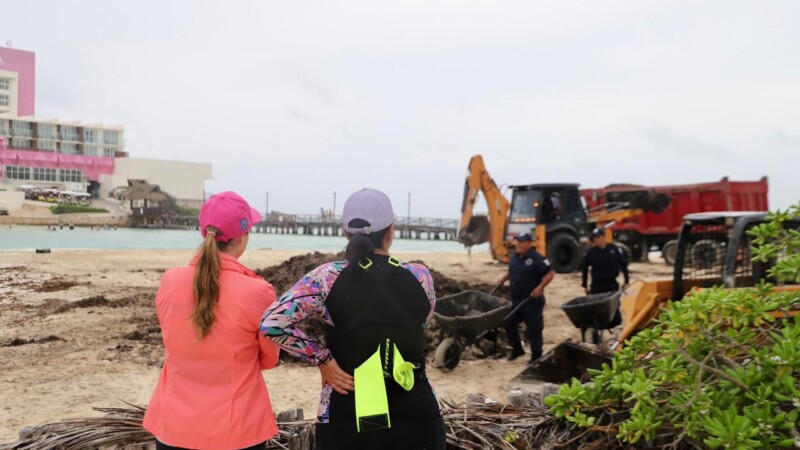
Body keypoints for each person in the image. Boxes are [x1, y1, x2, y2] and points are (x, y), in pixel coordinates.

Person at [261, 188, 445, 450]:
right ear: (391, 232)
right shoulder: (420, 276)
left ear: (346, 233)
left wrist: (322, 358)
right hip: (418, 412)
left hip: (347, 410)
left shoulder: (327, 278)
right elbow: (421, 321)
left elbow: (272, 322)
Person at [143, 191, 280, 450]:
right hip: (236, 428)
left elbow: (172, 340)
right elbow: (269, 359)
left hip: (174, 426)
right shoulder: (258, 292)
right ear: (242, 237)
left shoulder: (170, 281)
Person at [496, 233, 555, 363]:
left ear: (529, 243)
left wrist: (540, 288)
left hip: (532, 301)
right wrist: (503, 279)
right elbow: (512, 271)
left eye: (522, 242)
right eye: (517, 242)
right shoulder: (514, 257)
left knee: (534, 328)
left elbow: (550, 273)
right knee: (509, 321)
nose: (518, 244)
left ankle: (536, 355)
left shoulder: (537, 258)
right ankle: (517, 350)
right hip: (517, 300)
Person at [581, 228, 629, 327]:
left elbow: (623, 265)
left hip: (611, 283)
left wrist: (626, 280)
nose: (596, 240)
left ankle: (617, 327)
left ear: (603, 237)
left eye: (598, 237)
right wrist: (585, 285)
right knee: (596, 307)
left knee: (614, 307)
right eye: (594, 238)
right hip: (597, 285)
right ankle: (597, 328)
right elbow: (585, 268)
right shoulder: (590, 252)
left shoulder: (613, 249)